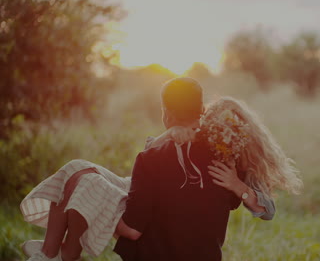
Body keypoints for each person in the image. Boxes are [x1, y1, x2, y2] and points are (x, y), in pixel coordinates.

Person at [20, 77, 302, 261]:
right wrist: (170, 136)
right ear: (202, 110)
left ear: (166, 112)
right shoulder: (199, 150)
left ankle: (56, 255)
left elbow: (267, 211)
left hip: (149, 227)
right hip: (147, 195)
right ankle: (51, 252)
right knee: (78, 168)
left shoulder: (225, 161)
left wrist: (238, 187)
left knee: (85, 181)